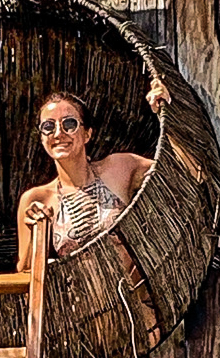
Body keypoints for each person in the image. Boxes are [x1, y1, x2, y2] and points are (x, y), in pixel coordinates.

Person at [16, 78, 167, 256]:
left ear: (87, 134)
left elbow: (174, 174)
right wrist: (37, 232)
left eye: (69, 124)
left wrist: (166, 109)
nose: (58, 134)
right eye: (48, 126)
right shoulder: (37, 199)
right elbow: (26, 273)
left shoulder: (119, 168)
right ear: (42, 138)